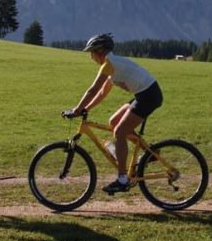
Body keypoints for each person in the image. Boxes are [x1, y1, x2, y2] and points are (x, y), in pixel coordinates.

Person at [64, 33, 163, 193]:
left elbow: (93, 89)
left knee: (120, 131)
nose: (91, 57)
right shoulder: (112, 64)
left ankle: (122, 179)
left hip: (148, 96)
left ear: (100, 51)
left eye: (92, 53)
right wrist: (85, 109)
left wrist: (77, 109)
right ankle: (150, 153)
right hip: (144, 94)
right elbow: (102, 92)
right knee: (113, 122)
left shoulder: (109, 64)